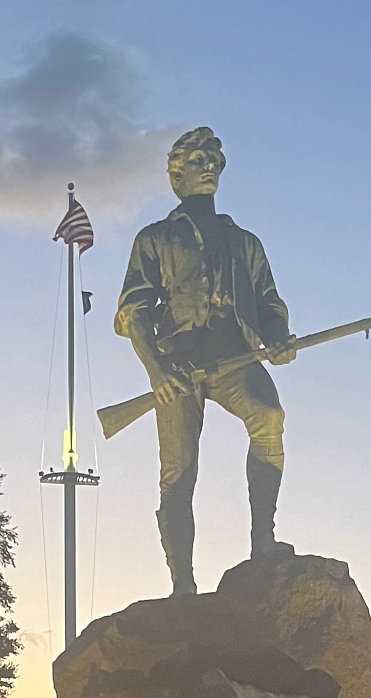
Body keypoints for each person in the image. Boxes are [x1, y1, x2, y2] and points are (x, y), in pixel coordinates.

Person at [115, 127, 296, 593]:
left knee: (269, 416)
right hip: (178, 367)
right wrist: (156, 371)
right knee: (178, 473)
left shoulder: (245, 242)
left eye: (214, 158)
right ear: (176, 175)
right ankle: (183, 583)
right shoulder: (155, 238)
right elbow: (133, 312)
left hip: (236, 358)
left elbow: (270, 303)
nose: (209, 165)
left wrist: (279, 340)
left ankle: (263, 542)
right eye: (197, 159)